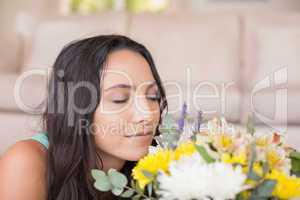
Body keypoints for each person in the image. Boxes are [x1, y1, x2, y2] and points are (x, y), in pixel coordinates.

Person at [0, 35, 168, 200]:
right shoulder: (26, 162)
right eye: (120, 98)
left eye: (153, 96)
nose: (147, 113)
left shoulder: (162, 166)